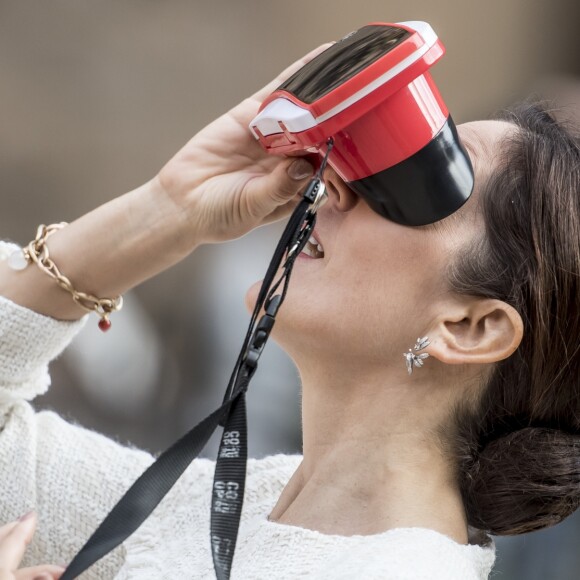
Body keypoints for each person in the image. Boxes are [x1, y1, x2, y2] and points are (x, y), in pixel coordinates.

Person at [0, 42, 578, 579]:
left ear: (471, 328)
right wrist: (169, 208)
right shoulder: (202, 514)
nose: (336, 185)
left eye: (420, 179)